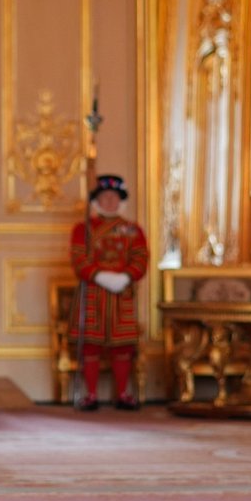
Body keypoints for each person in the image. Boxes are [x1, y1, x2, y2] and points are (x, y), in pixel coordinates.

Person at [70, 174, 148, 411]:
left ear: (120, 200)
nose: (109, 201)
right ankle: (91, 394)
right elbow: (79, 259)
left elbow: (141, 258)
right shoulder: (82, 229)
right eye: (105, 197)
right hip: (93, 294)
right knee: (90, 346)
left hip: (121, 296)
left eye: (114, 197)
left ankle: (123, 394)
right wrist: (101, 276)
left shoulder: (133, 230)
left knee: (122, 347)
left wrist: (124, 277)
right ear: (97, 200)